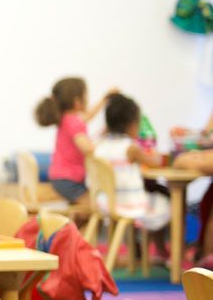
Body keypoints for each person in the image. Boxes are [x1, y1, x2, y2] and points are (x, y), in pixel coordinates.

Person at [95, 93, 169, 259]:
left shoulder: (100, 146)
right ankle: (165, 251)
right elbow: (155, 163)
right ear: (132, 125)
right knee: (169, 200)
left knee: (156, 192)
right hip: (128, 204)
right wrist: (158, 155)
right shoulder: (131, 148)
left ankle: (144, 250)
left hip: (105, 201)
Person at [34, 77, 116, 206]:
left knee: (87, 208)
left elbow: (88, 117)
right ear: (77, 102)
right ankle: (82, 226)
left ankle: (79, 224)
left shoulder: (66, 118)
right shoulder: (73, 122)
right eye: (86, 96)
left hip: (60, 177)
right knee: (97, 205)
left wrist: (105, 100)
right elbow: (87, 147)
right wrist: (106, 143)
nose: (88, 100)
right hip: (69, 180)